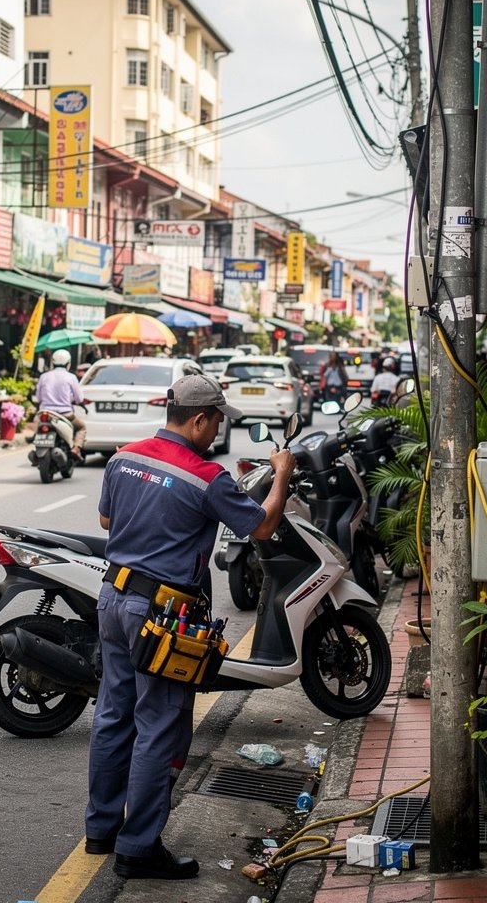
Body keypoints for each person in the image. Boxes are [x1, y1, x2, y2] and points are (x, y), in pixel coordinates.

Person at [85, 373, 294, 880]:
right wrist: (281, 473)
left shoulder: (123, 457)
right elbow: (262, 526)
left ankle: (101, 831)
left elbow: (108, 523)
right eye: (218, 420)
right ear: (199, 420)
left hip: (113, 597)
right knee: (158, 725)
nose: (219, 429)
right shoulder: (208, 477)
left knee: (114, 716)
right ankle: (137, 850)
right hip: (160, 614)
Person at [33, 348, 87, 457]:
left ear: (52, 362)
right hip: (66, 415)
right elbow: (79, 398)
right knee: (81, 427)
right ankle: (76, 448)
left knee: (37, 425)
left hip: (46, 414)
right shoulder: (71, 377)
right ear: (68, 363)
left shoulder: (44, 376)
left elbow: (38, 398)